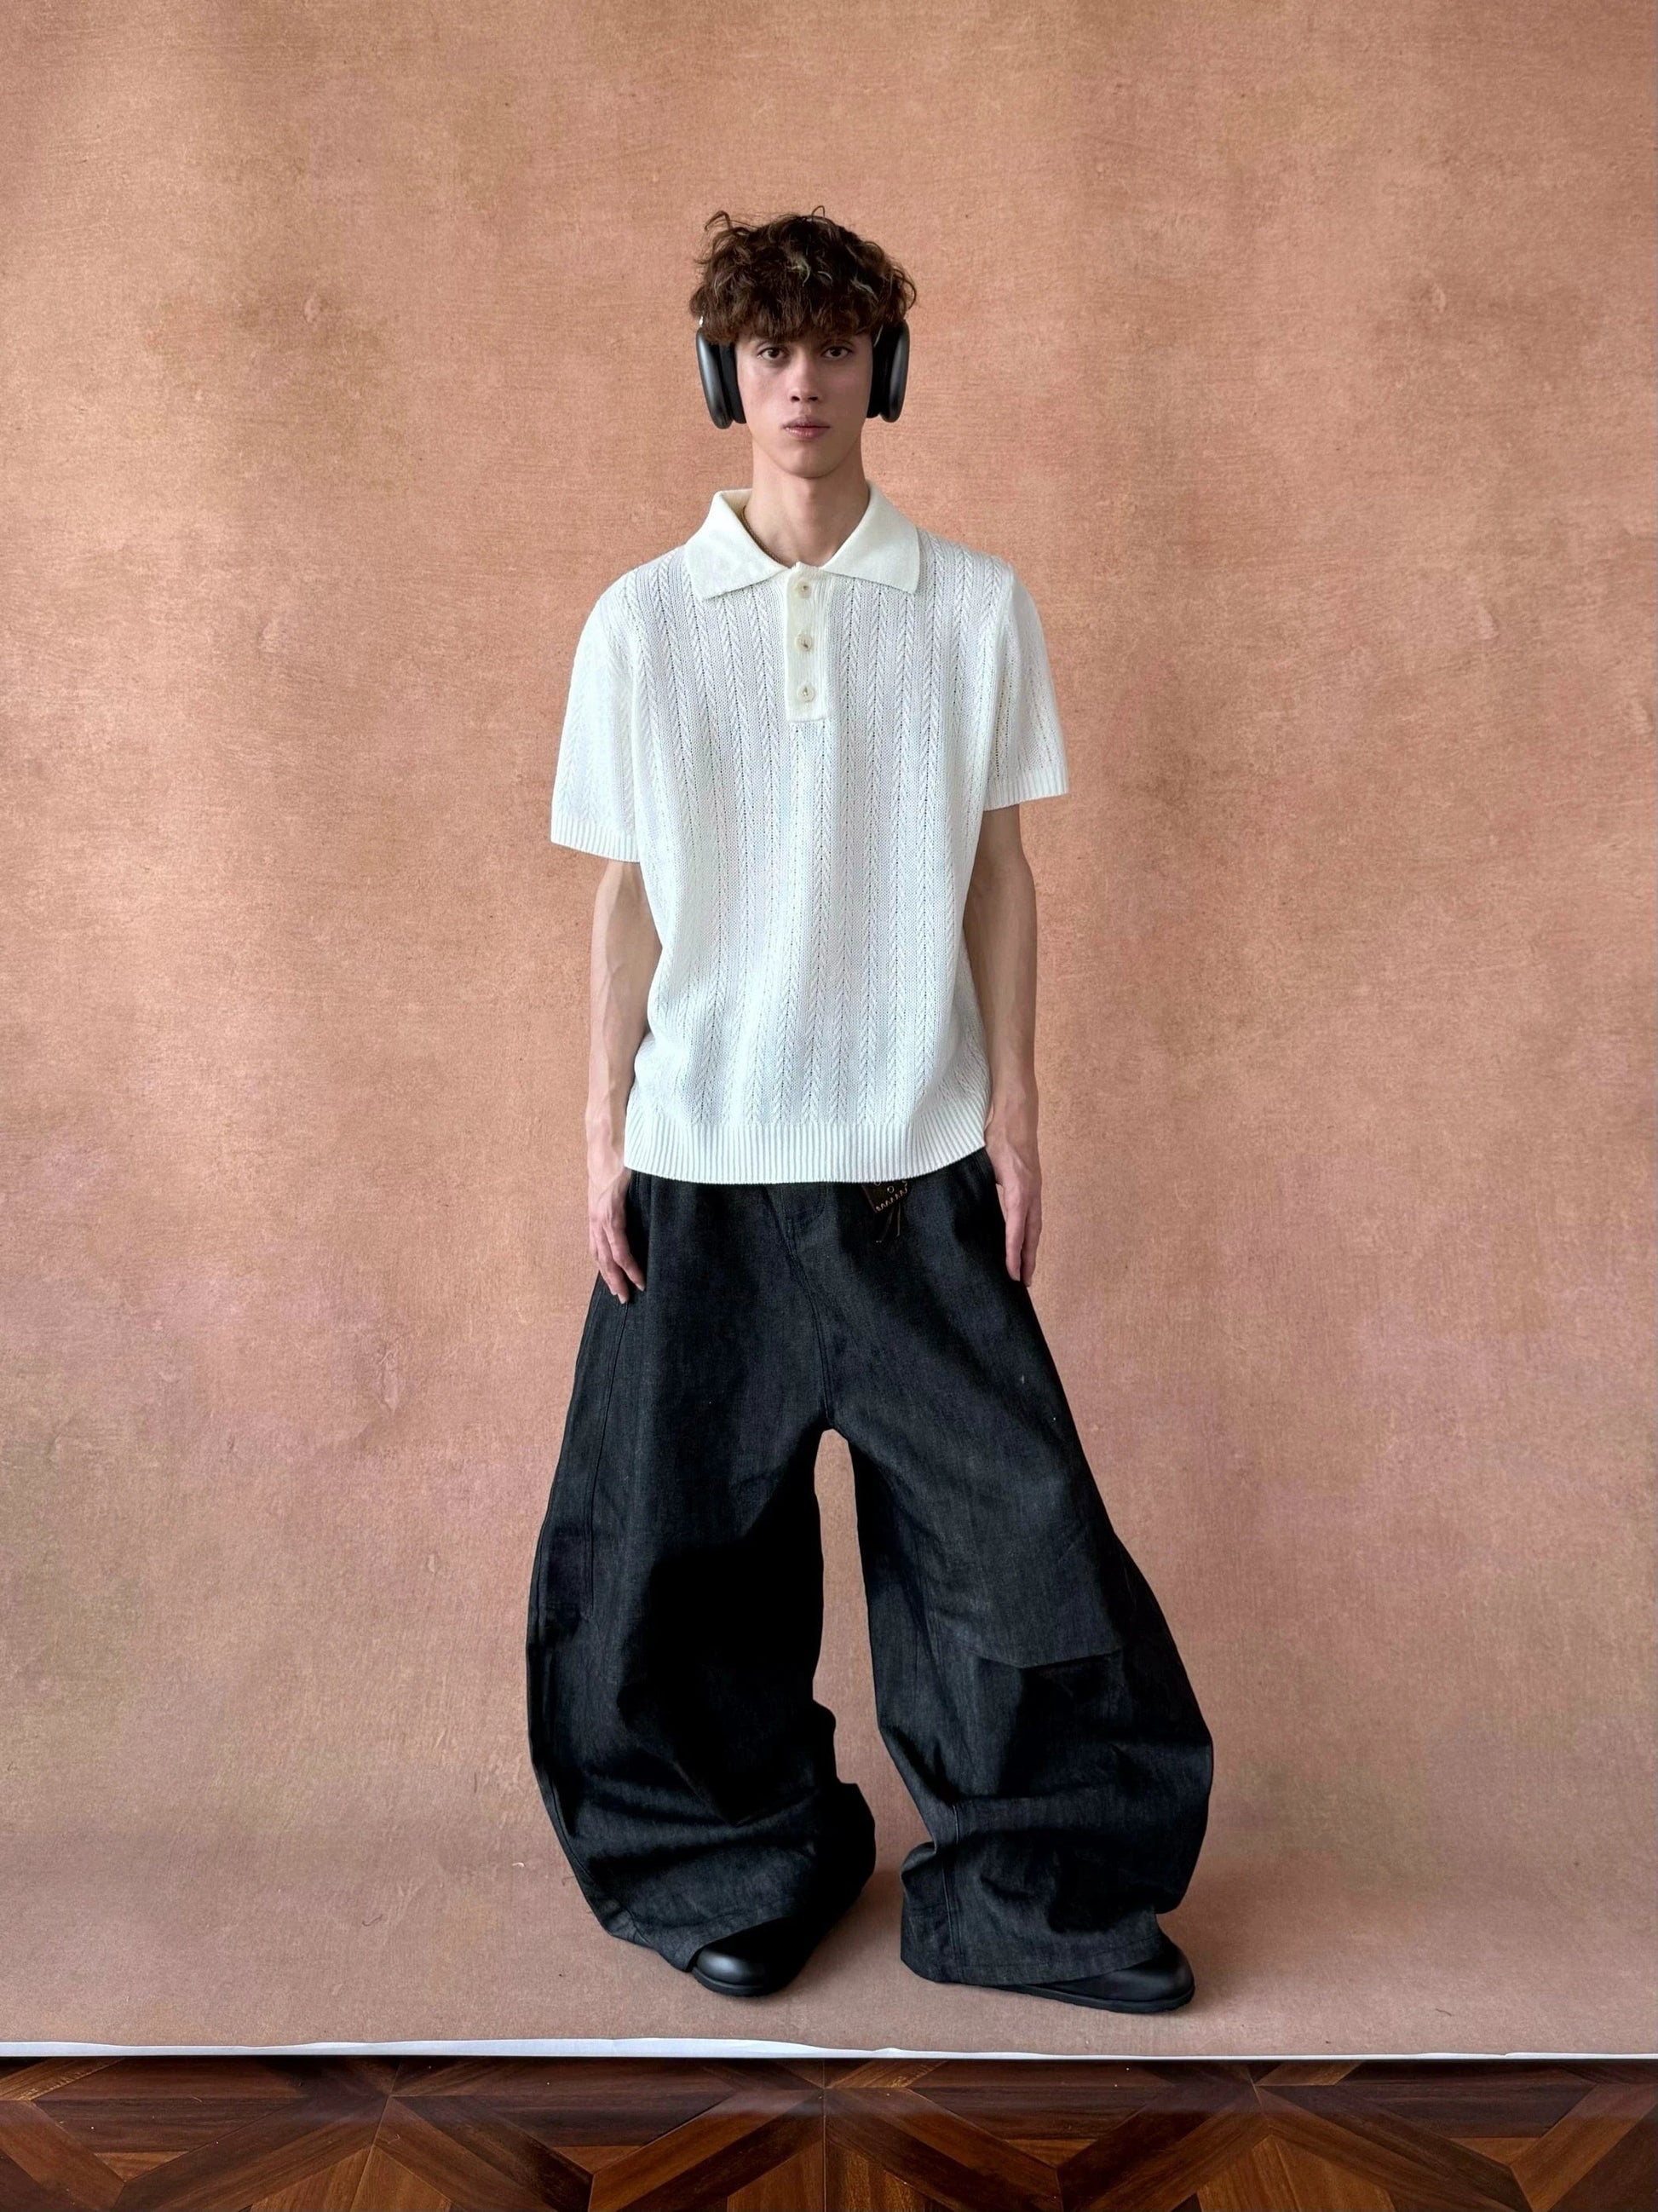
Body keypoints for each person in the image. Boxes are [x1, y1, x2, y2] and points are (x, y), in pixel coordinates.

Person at [526, 206, 1213, 2012]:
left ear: (882, 369)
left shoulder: (975, 608)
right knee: (675, 1565)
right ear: (720, 371)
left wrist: (1018, 1109)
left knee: (1013, 1548)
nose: (801, 383)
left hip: (917, 1164)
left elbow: (999, 873)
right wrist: (601, 1131)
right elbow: (624, 897)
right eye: (768, 349)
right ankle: (734, 1864)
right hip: (704, 1164)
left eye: (835, 347)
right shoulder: (640, 622)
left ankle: (1026, 1888)